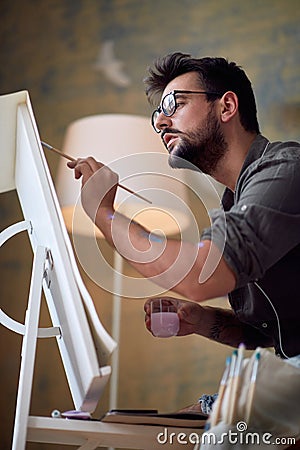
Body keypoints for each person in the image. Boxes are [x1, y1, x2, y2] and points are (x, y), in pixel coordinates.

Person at [68, 52, 300, 362]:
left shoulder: (286, 170)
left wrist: (103, 213)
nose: (162, 122)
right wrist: (203, 320)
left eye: (173, 105)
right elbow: (276, 332)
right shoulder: (236, 202)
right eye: (158, 115)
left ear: (227, 106)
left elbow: (201, 275)